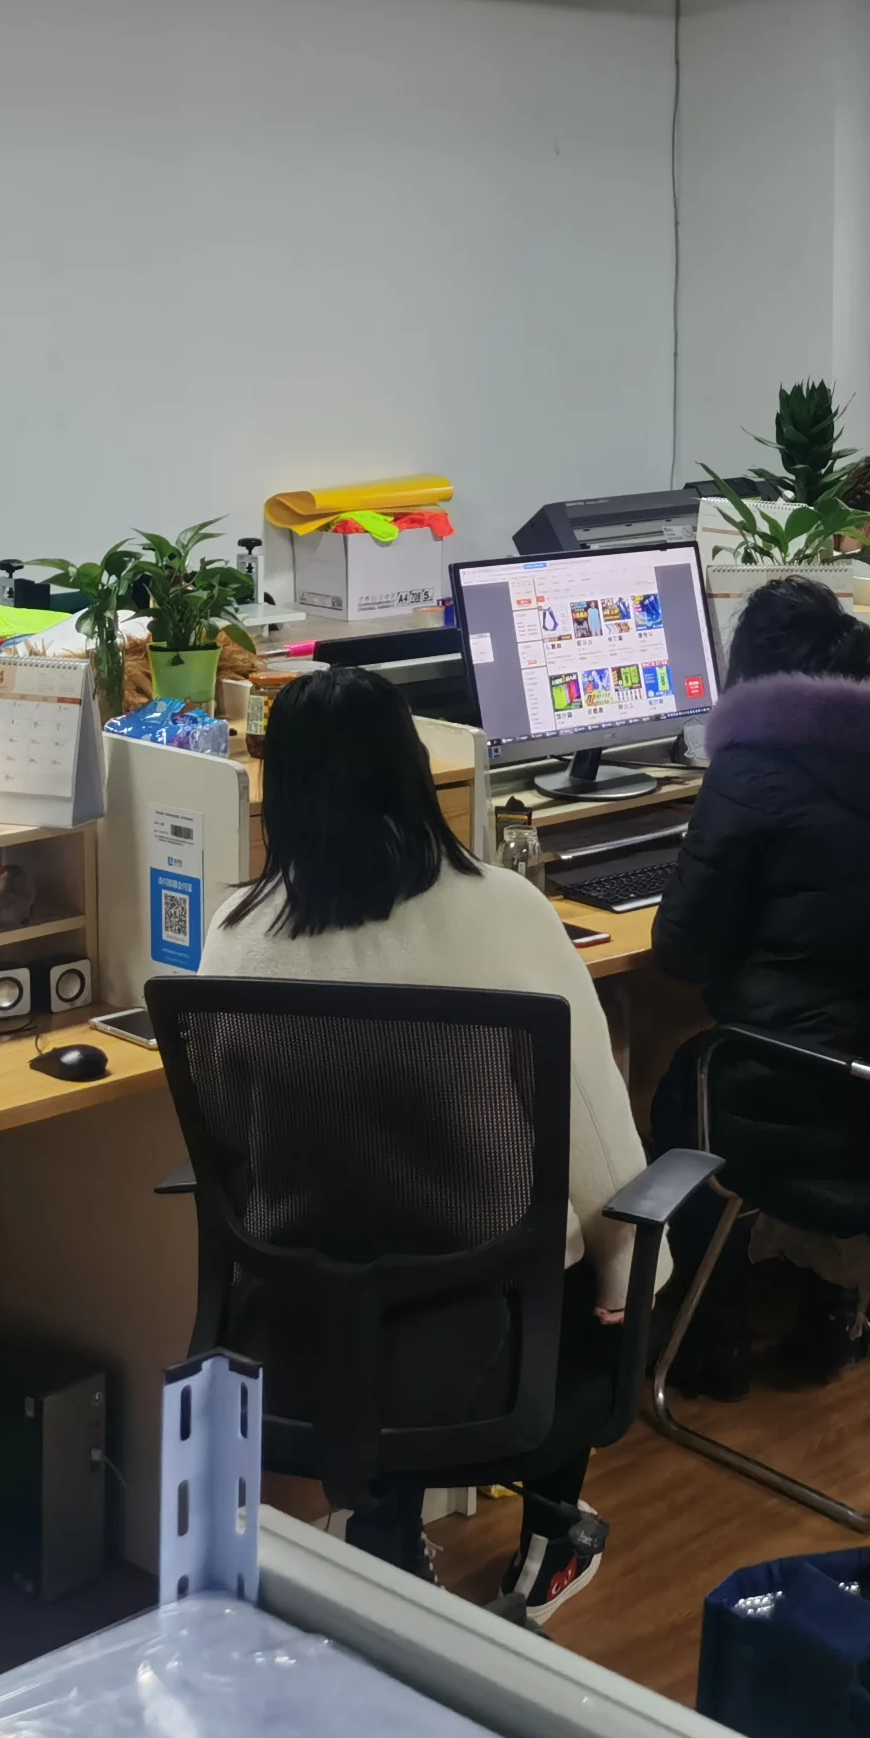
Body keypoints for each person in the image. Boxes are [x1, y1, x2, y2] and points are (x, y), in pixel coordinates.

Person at [200, 665, 644, 1630]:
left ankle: (387, 1532)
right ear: (410, 771)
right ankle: (553, 1532)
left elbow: (230, 1135)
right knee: (593, 1254)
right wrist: (628, 1265)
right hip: (490, 1342)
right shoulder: (504, 912)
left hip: (303, 1333)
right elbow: (599, 1145)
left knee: (381, 1235)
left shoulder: (232, 935)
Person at [650, 575, 870, 1390]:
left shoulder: (753, 767)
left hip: (803, 1087)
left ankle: (712, 1342)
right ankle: (831, 1309)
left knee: (684, 1085)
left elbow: (681, 952)